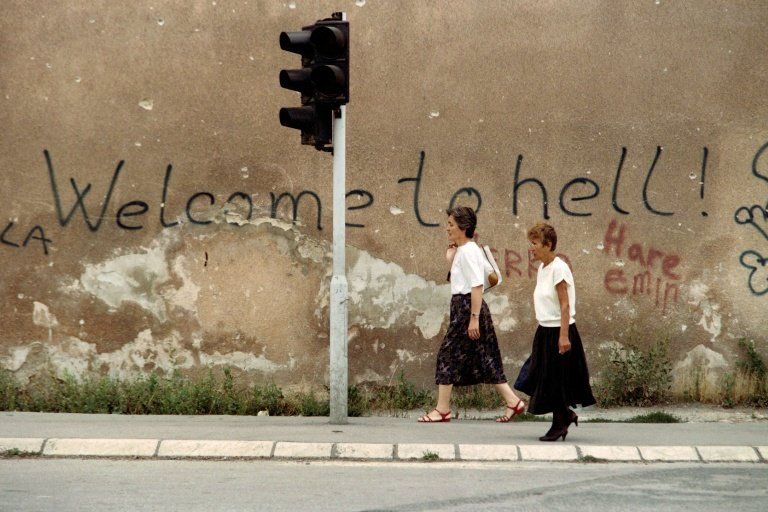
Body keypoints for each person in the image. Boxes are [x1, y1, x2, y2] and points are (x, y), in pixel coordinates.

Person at [418, 206, 526, 423]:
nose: (447, 228)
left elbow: (476, 285)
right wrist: (451, 256)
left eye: (451, 224)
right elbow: (462, 279)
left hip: (468, 307)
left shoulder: (468, 251)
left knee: (447, 355)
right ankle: (513, 402)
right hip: (467, 306)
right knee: (486, 356)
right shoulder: (465, 250)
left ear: (463, 227)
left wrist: (473, 319)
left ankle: (442, 409)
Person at [514, 222, 596, 441]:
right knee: (544, 378)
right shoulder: (543, 268)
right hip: (545, 331)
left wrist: (563, 336)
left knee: (556, 381)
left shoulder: (559, 268)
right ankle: (565, 416)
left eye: (535, 243)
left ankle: (559, 424)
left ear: (548, 245)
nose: (531, 248)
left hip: (559, 331)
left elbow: (565, 305)